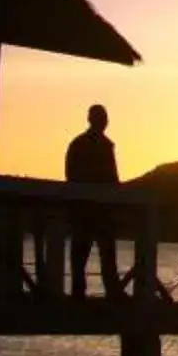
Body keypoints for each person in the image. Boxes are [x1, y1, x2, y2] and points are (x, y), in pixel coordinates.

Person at [64, 103, 125, 297]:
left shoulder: (95, 145)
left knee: (102, 254)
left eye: (104, 119)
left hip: (98, 210)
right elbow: (73, 174)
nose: (103, 122)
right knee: (87, 254)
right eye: (101, 118)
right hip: (88, 209)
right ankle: (84, 292)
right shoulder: (82, 145)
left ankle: (106, 291)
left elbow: (112, 179)